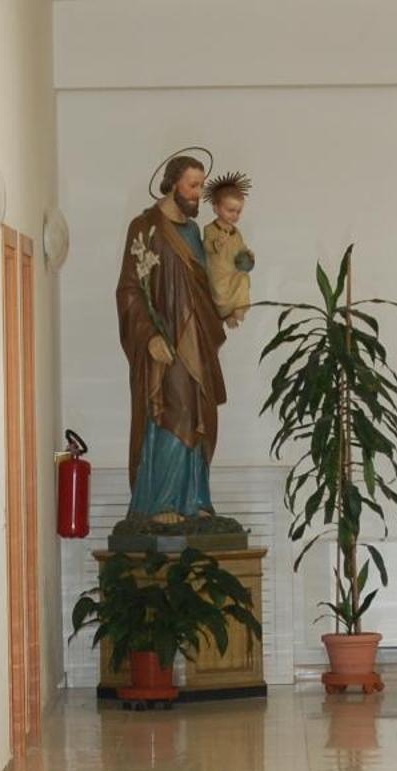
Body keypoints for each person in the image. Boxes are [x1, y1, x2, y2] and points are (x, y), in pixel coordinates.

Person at [116, 154, 230, 522]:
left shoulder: (194, 232)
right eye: (193, 185)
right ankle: (161, 502)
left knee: (199, 414)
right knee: (173, 412)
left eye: (201, 186)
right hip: (168, 342)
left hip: (198, 339)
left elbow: (205, 284)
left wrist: (227, 301)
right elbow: (130, 290)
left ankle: (195, 499)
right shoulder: (145, 227)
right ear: (172, 183)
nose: (199, 193)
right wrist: (149, 335)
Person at [203, 171, 255, 329]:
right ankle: (226, 315)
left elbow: (241, 248)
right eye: (230, 210)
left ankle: (236, 311)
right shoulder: (211, 229)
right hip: (218, 275)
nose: (235, 215)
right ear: (216, 208)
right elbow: (206, 246)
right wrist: (217, 244)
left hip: (232, 273)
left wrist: (248, 255)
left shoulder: (236, 233)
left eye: (238, 211)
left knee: (244, 279)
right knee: (220, 294)